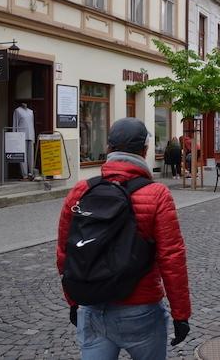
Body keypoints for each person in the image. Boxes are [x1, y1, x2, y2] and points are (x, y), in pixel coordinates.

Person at [56, 117, 191, 359]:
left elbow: (64, 254)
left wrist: (74, 300)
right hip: (140, 309)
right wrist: (181, 314)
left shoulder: (81, 191)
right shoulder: (157, 194)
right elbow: (172, 258)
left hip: (92, 307)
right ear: (145, 150)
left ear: (108, 149)